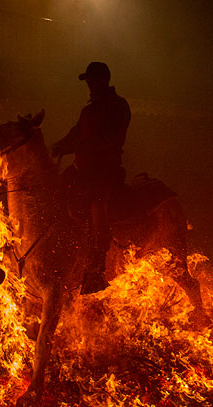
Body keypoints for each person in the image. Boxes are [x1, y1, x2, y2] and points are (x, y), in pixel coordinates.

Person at [52, 62, 131, 294]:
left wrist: (80, 146)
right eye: (87, 81)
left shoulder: (118, 106)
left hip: (105, 172)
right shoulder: (88, 110)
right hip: (84, 170)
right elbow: (76, 132)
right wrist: (61, 144)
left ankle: (97, 267)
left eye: (91, 80)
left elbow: (111, 140)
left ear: (102, 80)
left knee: (97, 204)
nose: (88, 85)